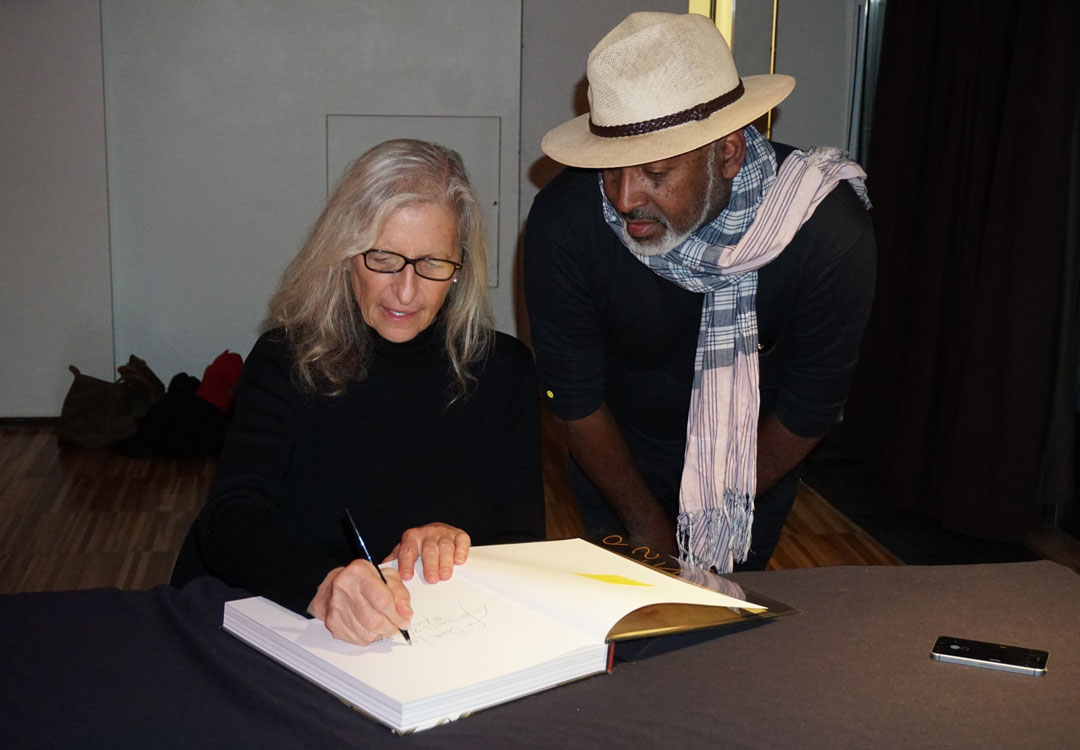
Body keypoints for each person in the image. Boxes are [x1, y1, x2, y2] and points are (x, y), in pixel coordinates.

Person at [524, 12, 875, 573]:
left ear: (729, 154)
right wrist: (650, 531)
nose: (622, 197)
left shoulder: (825, 235)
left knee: (726, 644)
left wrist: (715, 508)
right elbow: (574, 398)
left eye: (655, 173)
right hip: (615, 457)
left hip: (753, 464)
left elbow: (811, 405)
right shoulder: (565, 223)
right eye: (610, 170)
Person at [173, 139, 545, 645]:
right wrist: (323, 588)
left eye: (433, 264)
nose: (406, 291)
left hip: (427, 642)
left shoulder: (505, 372)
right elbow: (229, 522)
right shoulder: (285, 361)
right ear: (344, 254)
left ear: (461, 268)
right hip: (285, 629)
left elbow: (526, 547)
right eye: (384, 258)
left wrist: (460, 547)